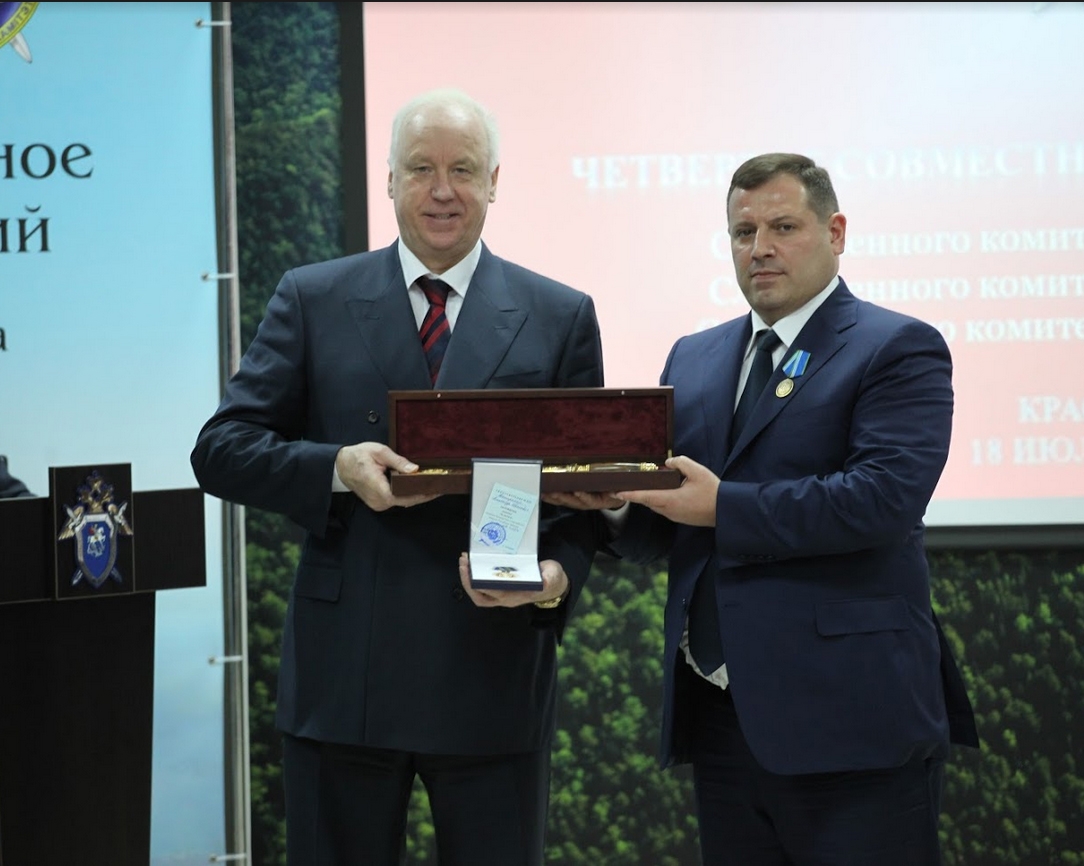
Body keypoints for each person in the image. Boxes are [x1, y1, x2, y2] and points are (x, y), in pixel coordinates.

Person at [190, 88, 604, 865]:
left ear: (494, 181)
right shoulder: (313, 297)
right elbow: (221, 449)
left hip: (493, 678)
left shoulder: (560, 315)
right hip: (345, 679)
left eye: (463, 169)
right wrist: (336, 468)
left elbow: (580, 498)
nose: (442, 190)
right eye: (420, 168)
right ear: (388, 179)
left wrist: (556, 578)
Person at [549, 153, 978, 865]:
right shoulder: (693, 357)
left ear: (835, 232)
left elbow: (881, 500)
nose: (760, 248)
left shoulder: (897, 347)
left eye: (784, 227)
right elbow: (670, 523)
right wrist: (617, 506)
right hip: (723, 717)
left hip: (852, 720)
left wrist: (723, 507)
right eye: (743, 232)